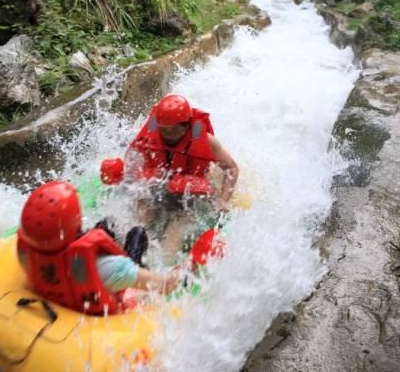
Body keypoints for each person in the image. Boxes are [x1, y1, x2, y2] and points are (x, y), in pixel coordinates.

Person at [102, 94, 239, 262]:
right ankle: (124, 256)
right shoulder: (150, 133)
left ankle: (165, 269)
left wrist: (223, 199)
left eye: (172, 130)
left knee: (174, 230)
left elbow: (231, 168)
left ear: (186, 126)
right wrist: (123, 177)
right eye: (163, 129)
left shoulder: (207, 141)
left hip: (190, 196)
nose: (166, 134)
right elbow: (130, 163)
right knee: (142, 213)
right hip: (158, 189)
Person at [16, 181, 178, 315]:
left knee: (107, 224)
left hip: (64, 293)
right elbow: (165, 286)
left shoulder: (25, 253)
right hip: (112, 292)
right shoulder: (111, 268)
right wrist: (181, 273)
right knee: (138, 233)